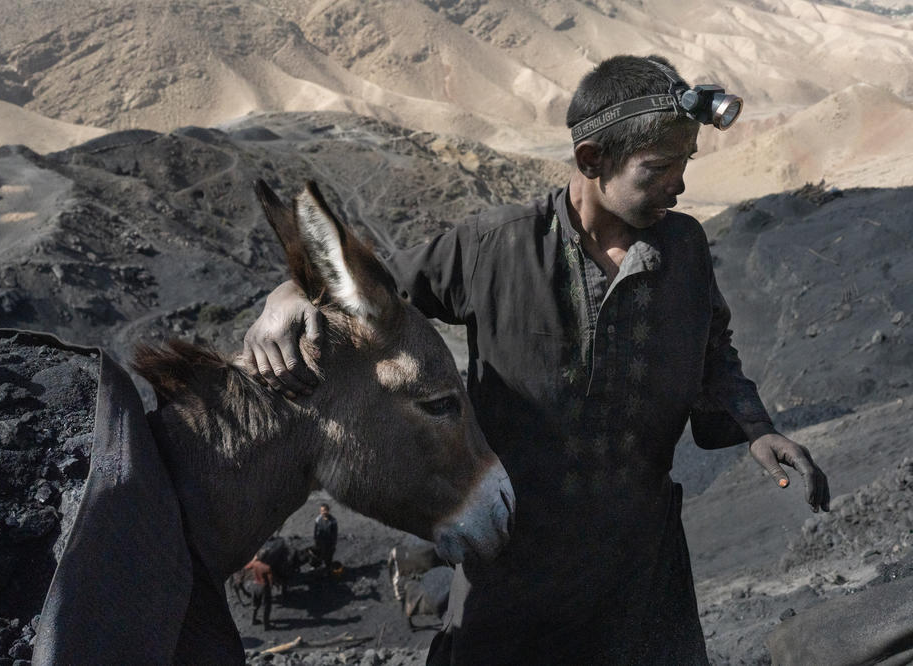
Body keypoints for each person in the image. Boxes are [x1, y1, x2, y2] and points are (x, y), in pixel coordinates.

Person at [240, 54, 830, 664]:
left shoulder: (685, 249)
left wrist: (757, 430)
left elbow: (712, 349)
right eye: (658, 169)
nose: (678, 186)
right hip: (512, 574)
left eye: (685, 165)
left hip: (641, 574)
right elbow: (368, 296)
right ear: (592, 161)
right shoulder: (495, 247)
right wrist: (284, 295)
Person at [313, 503, 338, 573]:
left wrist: (334, 543)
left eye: (325, 510)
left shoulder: (333, 520)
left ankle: (328, 570)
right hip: (320, 542)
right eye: (322, 511)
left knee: (328, 558)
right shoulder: (318, 519)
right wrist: (315, 541)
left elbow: (335, 533)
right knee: (319, 557)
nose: (323, 512)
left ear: (328, 510)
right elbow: (315, 532)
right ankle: (317, 571)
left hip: (329, 543)